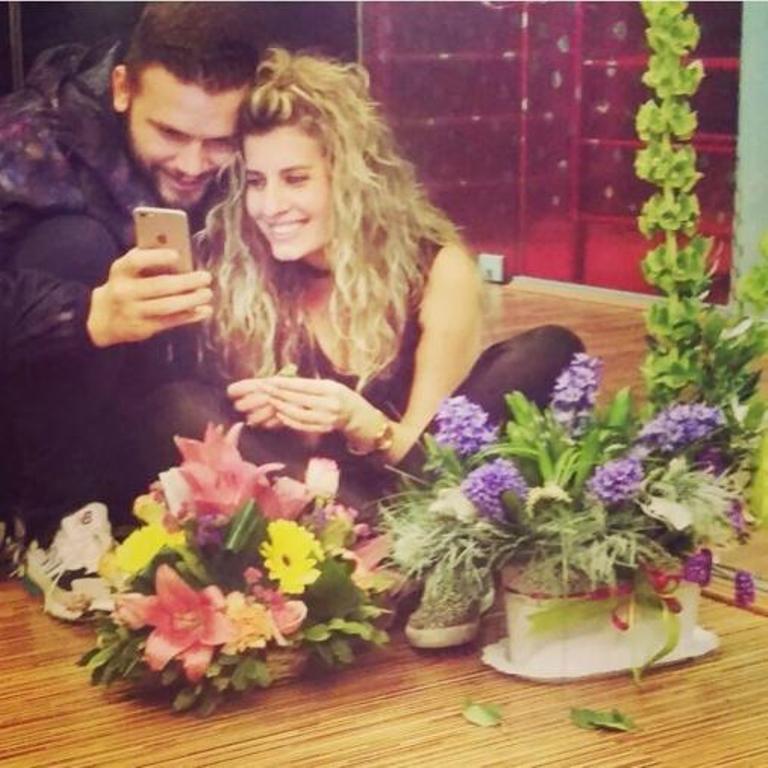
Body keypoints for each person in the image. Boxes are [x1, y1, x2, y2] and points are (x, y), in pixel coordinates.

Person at [125, 49, 584, 646]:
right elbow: (251, 466)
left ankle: (402, 558)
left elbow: (434, 458)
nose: (270, 207)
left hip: (409, 494)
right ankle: (404, 564)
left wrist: (363, 424)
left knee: (550, 350)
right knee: (177, 406)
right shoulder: (239, 270)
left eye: (296, 179)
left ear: (350, 176)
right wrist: (277, 420)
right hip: (305, 518)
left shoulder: (433, 268)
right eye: (256, 182)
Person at [0, 3, 260, 538]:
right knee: (77, 247)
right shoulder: (28, 141)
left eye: (218, 141)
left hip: (165, 406)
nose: (192, 165)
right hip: (32, 439)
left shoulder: (255, 142)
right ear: (122, 89)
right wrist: (84, 315)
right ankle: (53, 529)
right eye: (169, 133)